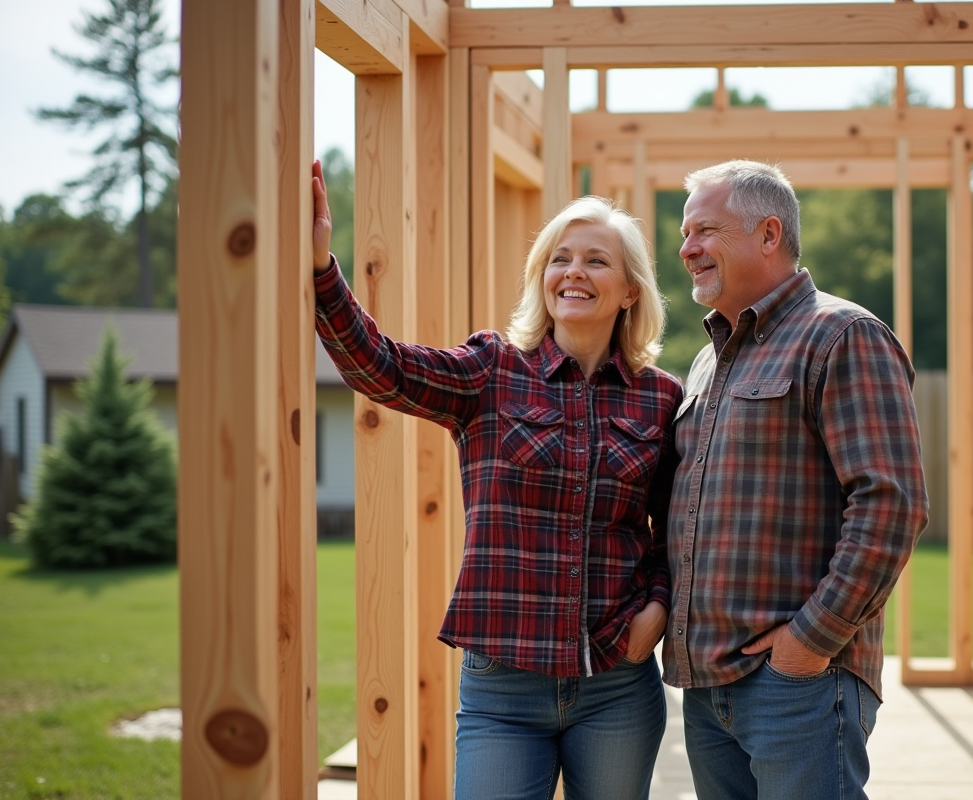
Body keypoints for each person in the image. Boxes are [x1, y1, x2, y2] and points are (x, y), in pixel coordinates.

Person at [309, 161, 681, 800]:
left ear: (629, 291)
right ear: (542, 278)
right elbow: (381, 369)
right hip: (503, 685)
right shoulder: (491, 370)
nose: (573, 272)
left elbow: (674, 530)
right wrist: (322, 272)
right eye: (559, 258)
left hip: (616, 684)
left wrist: (657, 608)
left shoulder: (661, 398)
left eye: (596, 260)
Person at [662, 160, 929, 800]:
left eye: (704, 230)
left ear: (768, 233)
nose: (686, 248)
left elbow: (891, 504)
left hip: (800, 684)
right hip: (709, 690)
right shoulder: (705, 361)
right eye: (684, 232)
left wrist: (808, 645)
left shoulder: (842, 335)